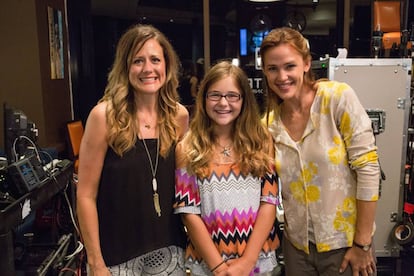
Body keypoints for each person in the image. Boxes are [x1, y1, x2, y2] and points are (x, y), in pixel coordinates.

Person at [260, 27, 380, 276]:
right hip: (296, 248)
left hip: (345, 245)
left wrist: (362, 243)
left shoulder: (336, 98)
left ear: (306, 63)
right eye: (273, 68)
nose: (282, 76)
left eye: (289, 66)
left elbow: (369, 170)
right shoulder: (268, 124)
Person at [76, 24, 189, 275]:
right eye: (138, 61)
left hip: (170, 253)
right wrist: (96, 263)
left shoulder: (179, 117)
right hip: (116, 259)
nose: (148, 69)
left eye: (155, 60)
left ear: (167, 66)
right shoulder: (104, 116)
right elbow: (85, 195)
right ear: (125, 67)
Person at [174, 61, 280, 275]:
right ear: (204, 98)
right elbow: (188, 211)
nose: (223, 103)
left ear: (244, 100)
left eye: (232, 95)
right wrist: (219, 268)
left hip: (256, 259)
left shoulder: (261, 140)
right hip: (208, 263)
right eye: (215, 95)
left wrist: (248, 261)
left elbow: (269, 201)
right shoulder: (188, 146)